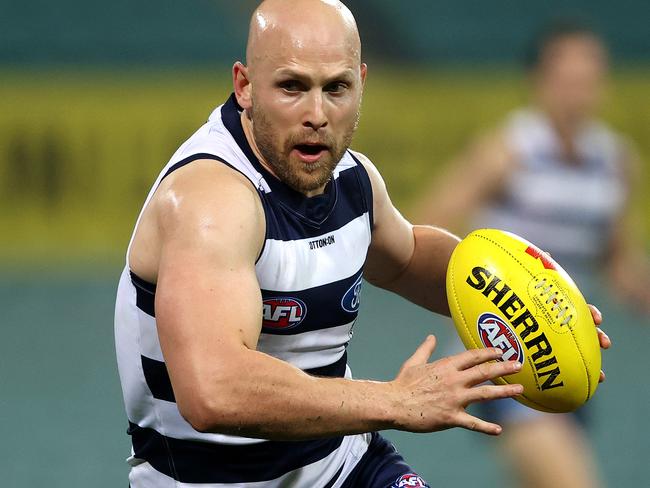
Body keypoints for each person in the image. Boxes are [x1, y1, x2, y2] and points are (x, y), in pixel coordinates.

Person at [114, 4, 609, 487]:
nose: (317, 114)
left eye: (336, 88)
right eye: (292, 86)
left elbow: (408, 258)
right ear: (244, 86)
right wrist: (396, 400)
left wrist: (535, 306)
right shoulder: (211, 202)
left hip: (343, 463)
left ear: (361, 84)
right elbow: (213, 392)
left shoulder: (353, 179)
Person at [413, 20, 646, 488]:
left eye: (588, 77)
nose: (578, 90)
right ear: (540, 80)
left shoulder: (615, 161)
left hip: (572, 353)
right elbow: (422, 228)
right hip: (507, 353)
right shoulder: (508, 152)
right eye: (567, 77)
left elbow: (618, 261)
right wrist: (477, 296)